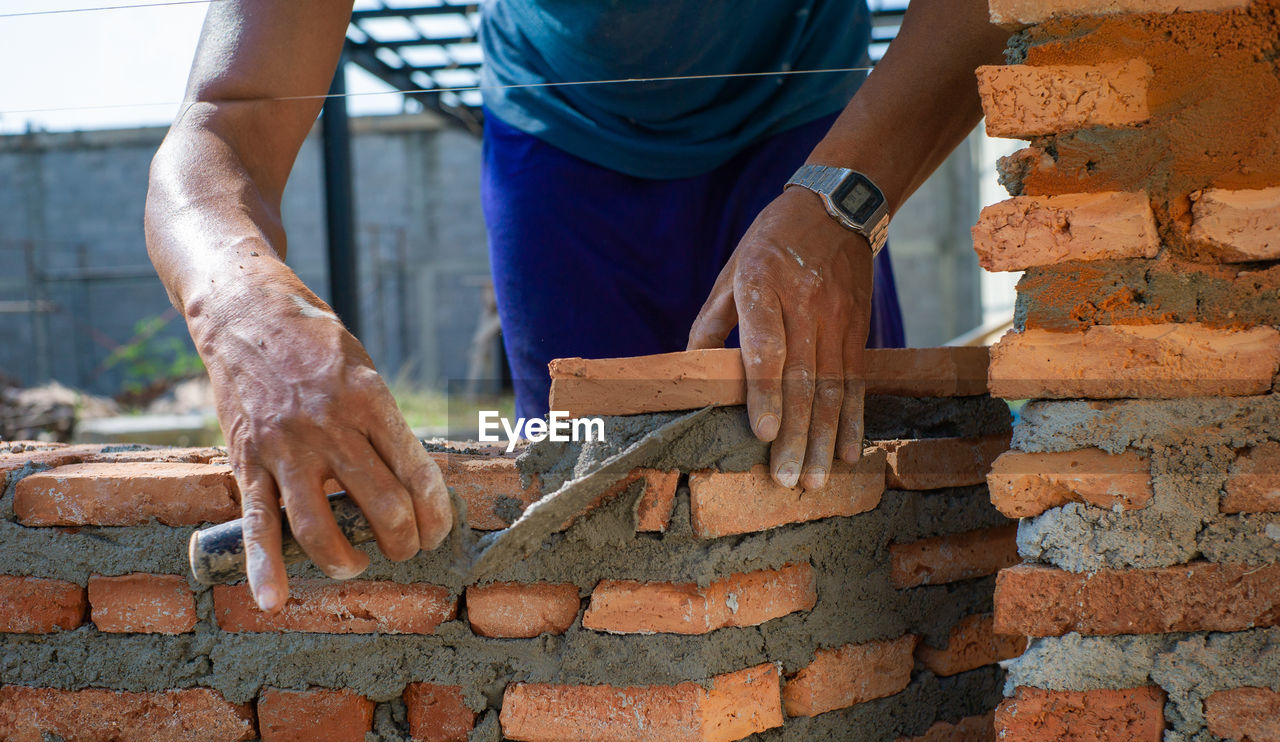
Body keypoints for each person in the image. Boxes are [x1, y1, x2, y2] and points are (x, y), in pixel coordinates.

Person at [145, 0, 1008, 613]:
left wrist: (843, 201)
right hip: (558, 136)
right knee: (590, 499)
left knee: (836, 471)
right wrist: (240, 307)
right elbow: (230, 112)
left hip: (809, 120)